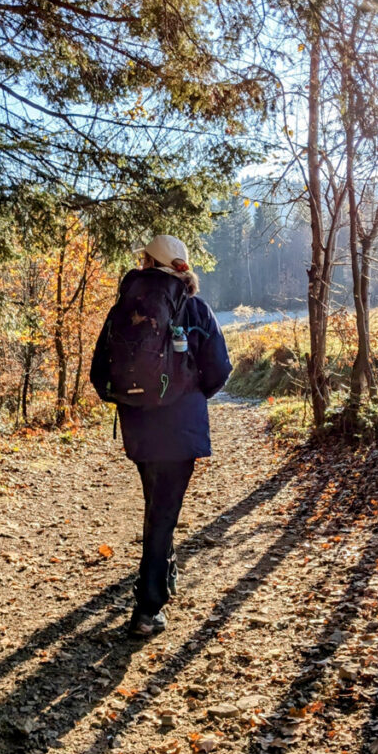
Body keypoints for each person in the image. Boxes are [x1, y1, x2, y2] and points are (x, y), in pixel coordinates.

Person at [90, 234, 232, 637]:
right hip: (180, 428)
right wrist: (188, 395)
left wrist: (132, 400)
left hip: (140, 429)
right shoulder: (196, 309)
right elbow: (220, 369)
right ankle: (148, 609)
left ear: (147, 263)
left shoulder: (125, 308)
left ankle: (162, 579)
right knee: (163, 515)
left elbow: (99, 374)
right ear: (180, 267)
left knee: (157, 506)